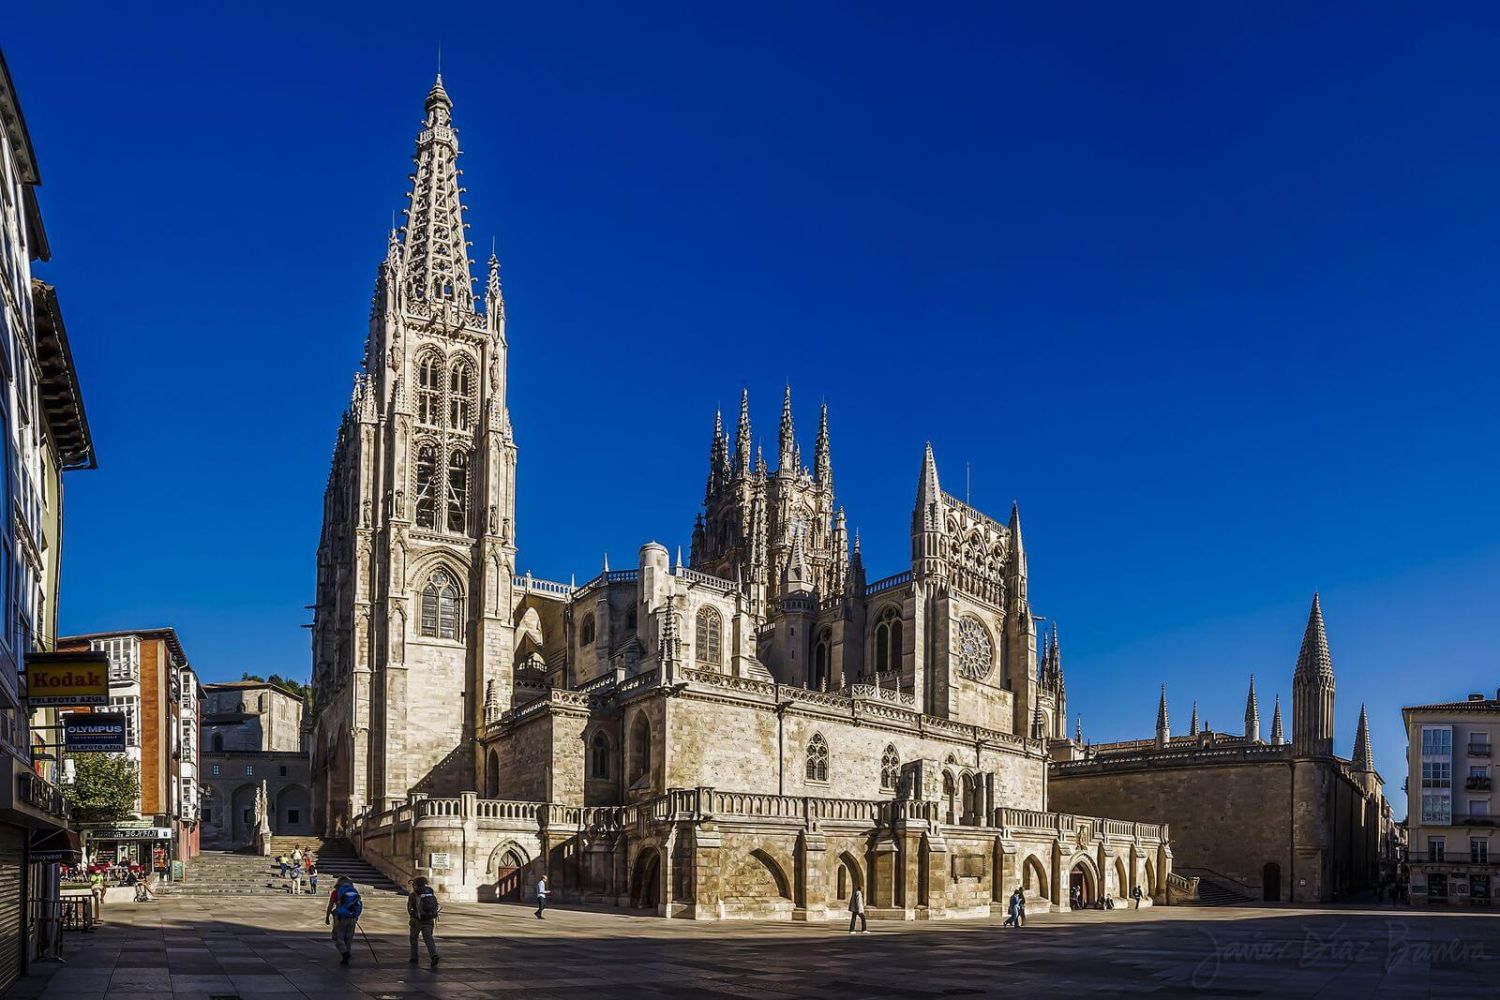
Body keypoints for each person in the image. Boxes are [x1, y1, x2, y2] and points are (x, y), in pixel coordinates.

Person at [326, 876, 363, 966]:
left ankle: (344, 953)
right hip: (352, 917)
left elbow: (330, 905)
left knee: (338, 937)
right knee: (349, 938)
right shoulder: (353, 891)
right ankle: (346, 957)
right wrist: (356, 915)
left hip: (340, 917)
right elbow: (357, 904)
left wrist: (327, 917)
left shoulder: (336, 892)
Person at [407, 876, 441, 966]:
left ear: (416, 885)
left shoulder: (413, 895)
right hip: (429, 920)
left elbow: (410, 908)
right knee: (429, 939)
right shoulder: (430, 893)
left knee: (414, 939)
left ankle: (414, 957)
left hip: (416, 921)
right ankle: (433, 955)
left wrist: (413, 916)